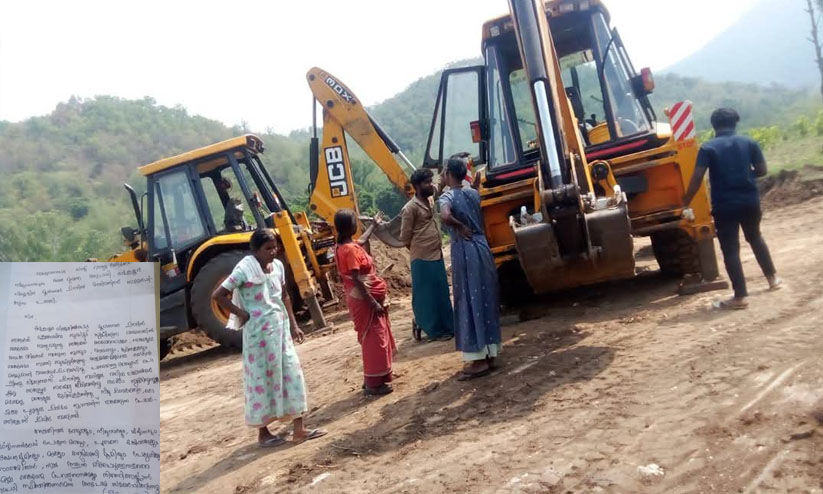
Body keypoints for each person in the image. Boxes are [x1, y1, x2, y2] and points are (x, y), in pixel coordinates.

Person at [211, 229, 327, 447]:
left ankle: (299, 429)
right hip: (258, 338)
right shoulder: (244, 269)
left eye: (275, 247)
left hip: (280, 330)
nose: (273, 252)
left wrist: (294, 325)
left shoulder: (278, 267)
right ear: (255, 250)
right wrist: (243, 314)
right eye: (268, 248)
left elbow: (284, 296)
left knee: (291, 373)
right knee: (261, 380)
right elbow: (218, 295)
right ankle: (263, 433)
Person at [682, 107, 782, 310]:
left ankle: (740, 297)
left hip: (724, 205)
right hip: (749, 201)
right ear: (735, 122)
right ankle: (773, 279)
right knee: (755, 237)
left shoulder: (708, 148)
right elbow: (762, 170)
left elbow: (697, 177)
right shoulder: (749, 143)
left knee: (730, 249)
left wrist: (685, 201)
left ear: (714, 125)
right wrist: (743, 175)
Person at [438, 154, 501, 380]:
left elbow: (445, 216)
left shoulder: (446, 196)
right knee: (486, 299)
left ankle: (477, 360)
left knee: (469, 300)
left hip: (465, 251)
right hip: (482, 248)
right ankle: (490, 353)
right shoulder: (474, 193)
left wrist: (459, 226)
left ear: (448, 174)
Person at [334, 209, 397, 396]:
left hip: (359, 297)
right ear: (349, 226)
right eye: (355, 221)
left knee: (375, 337)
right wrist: (372, 302)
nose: (357, 225)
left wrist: (373, 226)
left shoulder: (345, 246)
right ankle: (374, 383)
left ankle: (375, 377)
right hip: (364, 300)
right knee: (374, 339)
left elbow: (361, 241)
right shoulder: (350, 250)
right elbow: (356, 278)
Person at [399, 168, 455, 342]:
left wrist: (445, 172)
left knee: (441, 293)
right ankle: (433, 330)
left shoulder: (430, 198)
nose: (430, 185)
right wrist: (419, 248)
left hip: (436, 255)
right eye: (426, 183)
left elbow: (439, 185)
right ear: (417, 186)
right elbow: (404, 238)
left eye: (430, 181)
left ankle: (448, 327)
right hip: (421, 258)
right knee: (426, 297)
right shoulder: (410, 209)